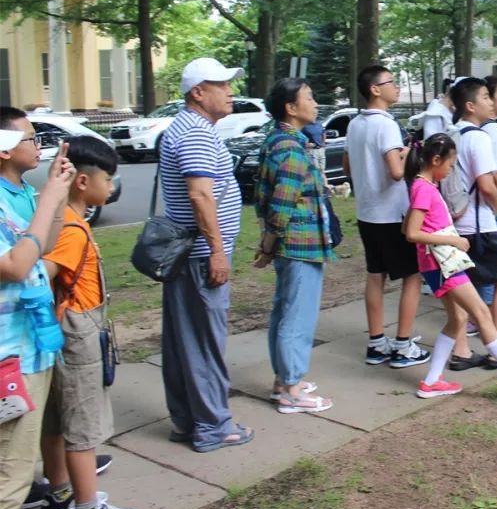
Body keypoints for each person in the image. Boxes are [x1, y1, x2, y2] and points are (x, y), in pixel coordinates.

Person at [403, 134, 497, 398]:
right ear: (436, 160)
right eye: (449, 165)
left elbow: (409, 226)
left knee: (458, 318)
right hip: (443, 264)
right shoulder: (424, 188)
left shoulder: (423, 186)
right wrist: (453, 239)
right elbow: (412, 233)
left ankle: (432, 382)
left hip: (436, 265)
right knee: (481, 313)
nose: (450, 172)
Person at [158, 58, 252, 452]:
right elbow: (200, 195)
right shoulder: (195, 134)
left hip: (186, 255)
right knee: (204, 341)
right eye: (222, 84)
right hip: (199, 256)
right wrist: (216, 251)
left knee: (183, 341)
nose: (231, 91)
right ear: (198, 92)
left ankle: (187, 420)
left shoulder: (183, 128)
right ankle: (214, 426)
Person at [38, 136, 137, 509]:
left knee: (57, 419)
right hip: (76, 334)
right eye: (107, 180)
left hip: (64, 330)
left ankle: (61, 492)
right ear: (82, 181)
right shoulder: (72, 229)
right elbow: (42, 274)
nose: (110, 187)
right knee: (82, 427)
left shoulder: (62, 219)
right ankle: (87, 506)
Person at [0, 119, 74, 509]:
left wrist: (55, 196)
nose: (39, 144)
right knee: (10, 479)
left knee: (17, 466)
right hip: (8, 357)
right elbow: (14, 265)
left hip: (32, 347)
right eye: (32, 138)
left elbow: (45, 243)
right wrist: (50, 200)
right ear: (4, 148)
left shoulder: (23, 193)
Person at [254, 79, 335, 414]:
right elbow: (282, 206)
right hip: (299, 246)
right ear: (290, 108)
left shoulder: (280, 141)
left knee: (285, 311)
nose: (315, 103)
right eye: (310, 97)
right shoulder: (290, 148)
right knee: (297, 317)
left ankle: (284, 381)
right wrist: (269, 245)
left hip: (294, 246)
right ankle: (291, 388)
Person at [344, 65, 430, 368]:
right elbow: (396, 172)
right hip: (393, 214)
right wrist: (407, 154)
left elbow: (347, 168)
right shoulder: (386, 125)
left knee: (375, 276)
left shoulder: (354, 124)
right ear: (375, 90)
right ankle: (403, 345)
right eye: (391, 82)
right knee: (412, 276)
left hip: (367, 212)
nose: (397, 87)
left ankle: (377, 342)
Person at [447, 78, 497, 366]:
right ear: (470, 105)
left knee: (462, 287)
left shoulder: (451, 134)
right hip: (480, 225)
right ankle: (495, 349)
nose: (491, 102)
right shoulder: (478, 137)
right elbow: (487, 185)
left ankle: (461, 350)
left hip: (455, 225)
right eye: (486, 97)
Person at [462, 76, 497, 341]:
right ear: (471, 104)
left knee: (471, 274)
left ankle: (476, 323)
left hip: (463, 218)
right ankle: (492, 330)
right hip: (484, 217)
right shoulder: (487, 132)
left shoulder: (456, 132)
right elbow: (492, 179)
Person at [301, 117, 326, 182]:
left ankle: (324, 188)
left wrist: (323, 144)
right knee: (315, 171)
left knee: (322, 170)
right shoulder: (305, 126)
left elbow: (323, 133)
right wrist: (307, 145)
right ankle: (317, 188)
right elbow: (301, 138)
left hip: (321, 150)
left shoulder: (319, 124)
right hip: (312, 151)